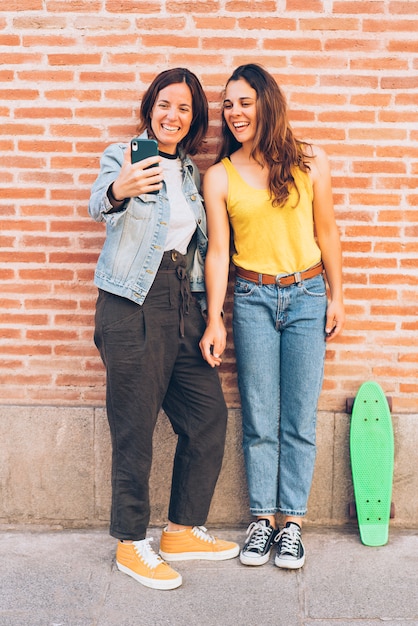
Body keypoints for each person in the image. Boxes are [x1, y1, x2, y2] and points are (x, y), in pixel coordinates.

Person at [89, 68, 239, 591]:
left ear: (194, 118)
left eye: (184, 109)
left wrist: (209, 315)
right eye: (164, 104)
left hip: (183, 305)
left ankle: (179, 530)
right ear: (150, 107)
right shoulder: (125, 155)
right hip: (131, 304)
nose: (172, 116)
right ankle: (131, 543)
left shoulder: (192, 173)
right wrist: (118, 189)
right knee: (134, 427)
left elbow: (197, 249)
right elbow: (96, 205)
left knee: (207, 417)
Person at [200, 64, 345, 570]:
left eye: (244, 102)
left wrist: (336, 294)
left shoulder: (310, 161)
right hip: (254, 298)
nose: (235, 113)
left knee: (300, 416)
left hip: (306, 297)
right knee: (261, 416)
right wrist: (216, 318)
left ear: (267, 102)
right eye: (228, 104)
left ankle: (292, 526)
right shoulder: (218, 175)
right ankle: (262, 520)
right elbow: (218, 253)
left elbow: (327, 232)